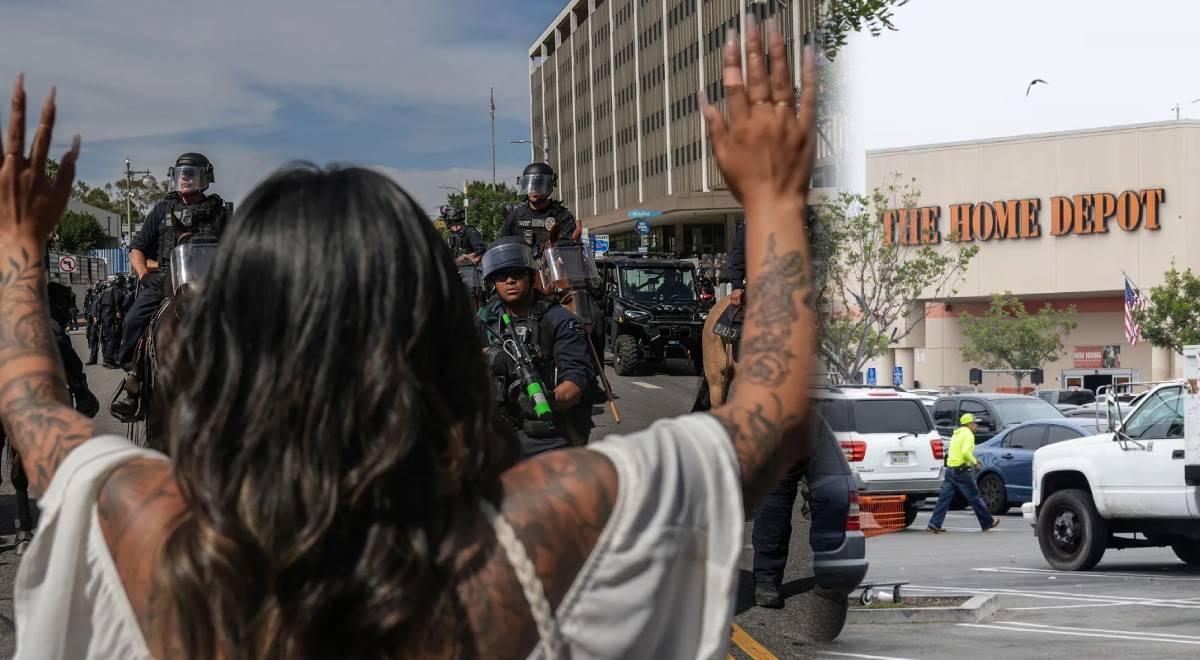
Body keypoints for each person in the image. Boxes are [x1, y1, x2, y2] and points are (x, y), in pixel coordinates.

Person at [5, 23, 820, 657]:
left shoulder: (142, 525)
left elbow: (30, 402)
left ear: (230, 352)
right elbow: (773, 415)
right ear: (436, 336)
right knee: (141, 316)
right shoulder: (541, 526)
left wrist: (21, 245)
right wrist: (774, 198)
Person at [112, 152, 230, 416]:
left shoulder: (219, 212)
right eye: (181, 174)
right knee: (133, 321)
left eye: (192, 174)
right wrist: (144, 274)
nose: (185, 178)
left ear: (205, 178)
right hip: (165, 281)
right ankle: (134, 381)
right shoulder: (161, 210)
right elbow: (137, 249)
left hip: (209, 284)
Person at [478, 239, 595, 457]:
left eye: (517, 273)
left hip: (548, 432)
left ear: (531, 276)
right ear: (493, 282)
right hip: (496, 429)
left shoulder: (559, 320)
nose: (510, 280)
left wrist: (548, 399)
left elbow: (577, 382)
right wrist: (491, 355)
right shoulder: (487, 318)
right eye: (501, 275)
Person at [927, 414, 1000, 533]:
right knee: (974, 497)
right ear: (969, 424)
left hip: (950, 470)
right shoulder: (968, 435)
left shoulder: (956, 434)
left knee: (944, 499)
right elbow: (966, 453)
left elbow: (956, 452)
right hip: (962, 471)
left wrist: (973, 460)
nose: (976, 426)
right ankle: (987, 522)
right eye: (974, 423)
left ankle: (934, 524)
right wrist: (975, 462)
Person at [500, 162, 579, 257]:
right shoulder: (515, 216)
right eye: (531, 185)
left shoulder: (562, 216)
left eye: (539, 185)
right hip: (521, 265)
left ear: (550, 186)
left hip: (551, 265)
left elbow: (568, 251)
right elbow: (502, 247)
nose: (534, 190)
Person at [95, 276, 125, 368]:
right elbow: (117, 301)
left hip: (104, 316)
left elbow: (98, 303)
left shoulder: (106, 290)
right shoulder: (116, 290)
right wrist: (118, 311)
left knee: (107, 338)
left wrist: (99, 317)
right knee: (112, 338)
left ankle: (108, 359)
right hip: (111, 315)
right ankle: (108, 361)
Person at [84, 282, 101, 365]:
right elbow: (88, 309)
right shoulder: (90, 297)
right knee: (93, 340)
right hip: (91, 321)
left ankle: (109, 359)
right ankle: (93, 359)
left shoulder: (100, 296)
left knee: (103, 341)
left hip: (99, 321)